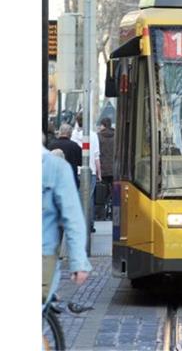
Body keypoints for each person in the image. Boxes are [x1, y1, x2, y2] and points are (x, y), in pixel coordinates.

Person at [43, 143, 92, 303]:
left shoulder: (54, 167)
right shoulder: (59, 166)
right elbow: (73, 218)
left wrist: (78, 262)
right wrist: (78, 263)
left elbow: (73, 218)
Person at [47, 123, 82, 188]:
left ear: (60, 132)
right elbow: (81, 162)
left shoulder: (51, 145)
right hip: (71, 180)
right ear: (70, 133)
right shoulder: (74, 146)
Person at [97, 117, 116, 220]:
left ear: (103, 125)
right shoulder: (117, 135)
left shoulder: (99, 136)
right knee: (114, 192)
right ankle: (114, 213)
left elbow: (97, 153)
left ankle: (101, 214)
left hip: (103, 169)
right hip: (114, 169)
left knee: (102, 193)